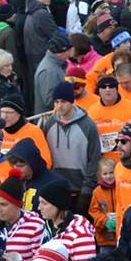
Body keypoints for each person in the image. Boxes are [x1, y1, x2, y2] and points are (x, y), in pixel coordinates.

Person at [40, 81, 101, 211]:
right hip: (56, 188)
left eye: (63, 102)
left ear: (71, 101)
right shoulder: (49, 123)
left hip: (81, 190)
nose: (59, 106)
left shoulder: (88, 125)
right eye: (56, 102)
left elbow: (94, 158)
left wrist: (87, 190)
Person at [36, 179, 98, 261]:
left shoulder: (80, 235)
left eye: (44, 203)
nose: (39, 208)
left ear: (59, 205)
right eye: (39, 202)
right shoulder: (44, 228)